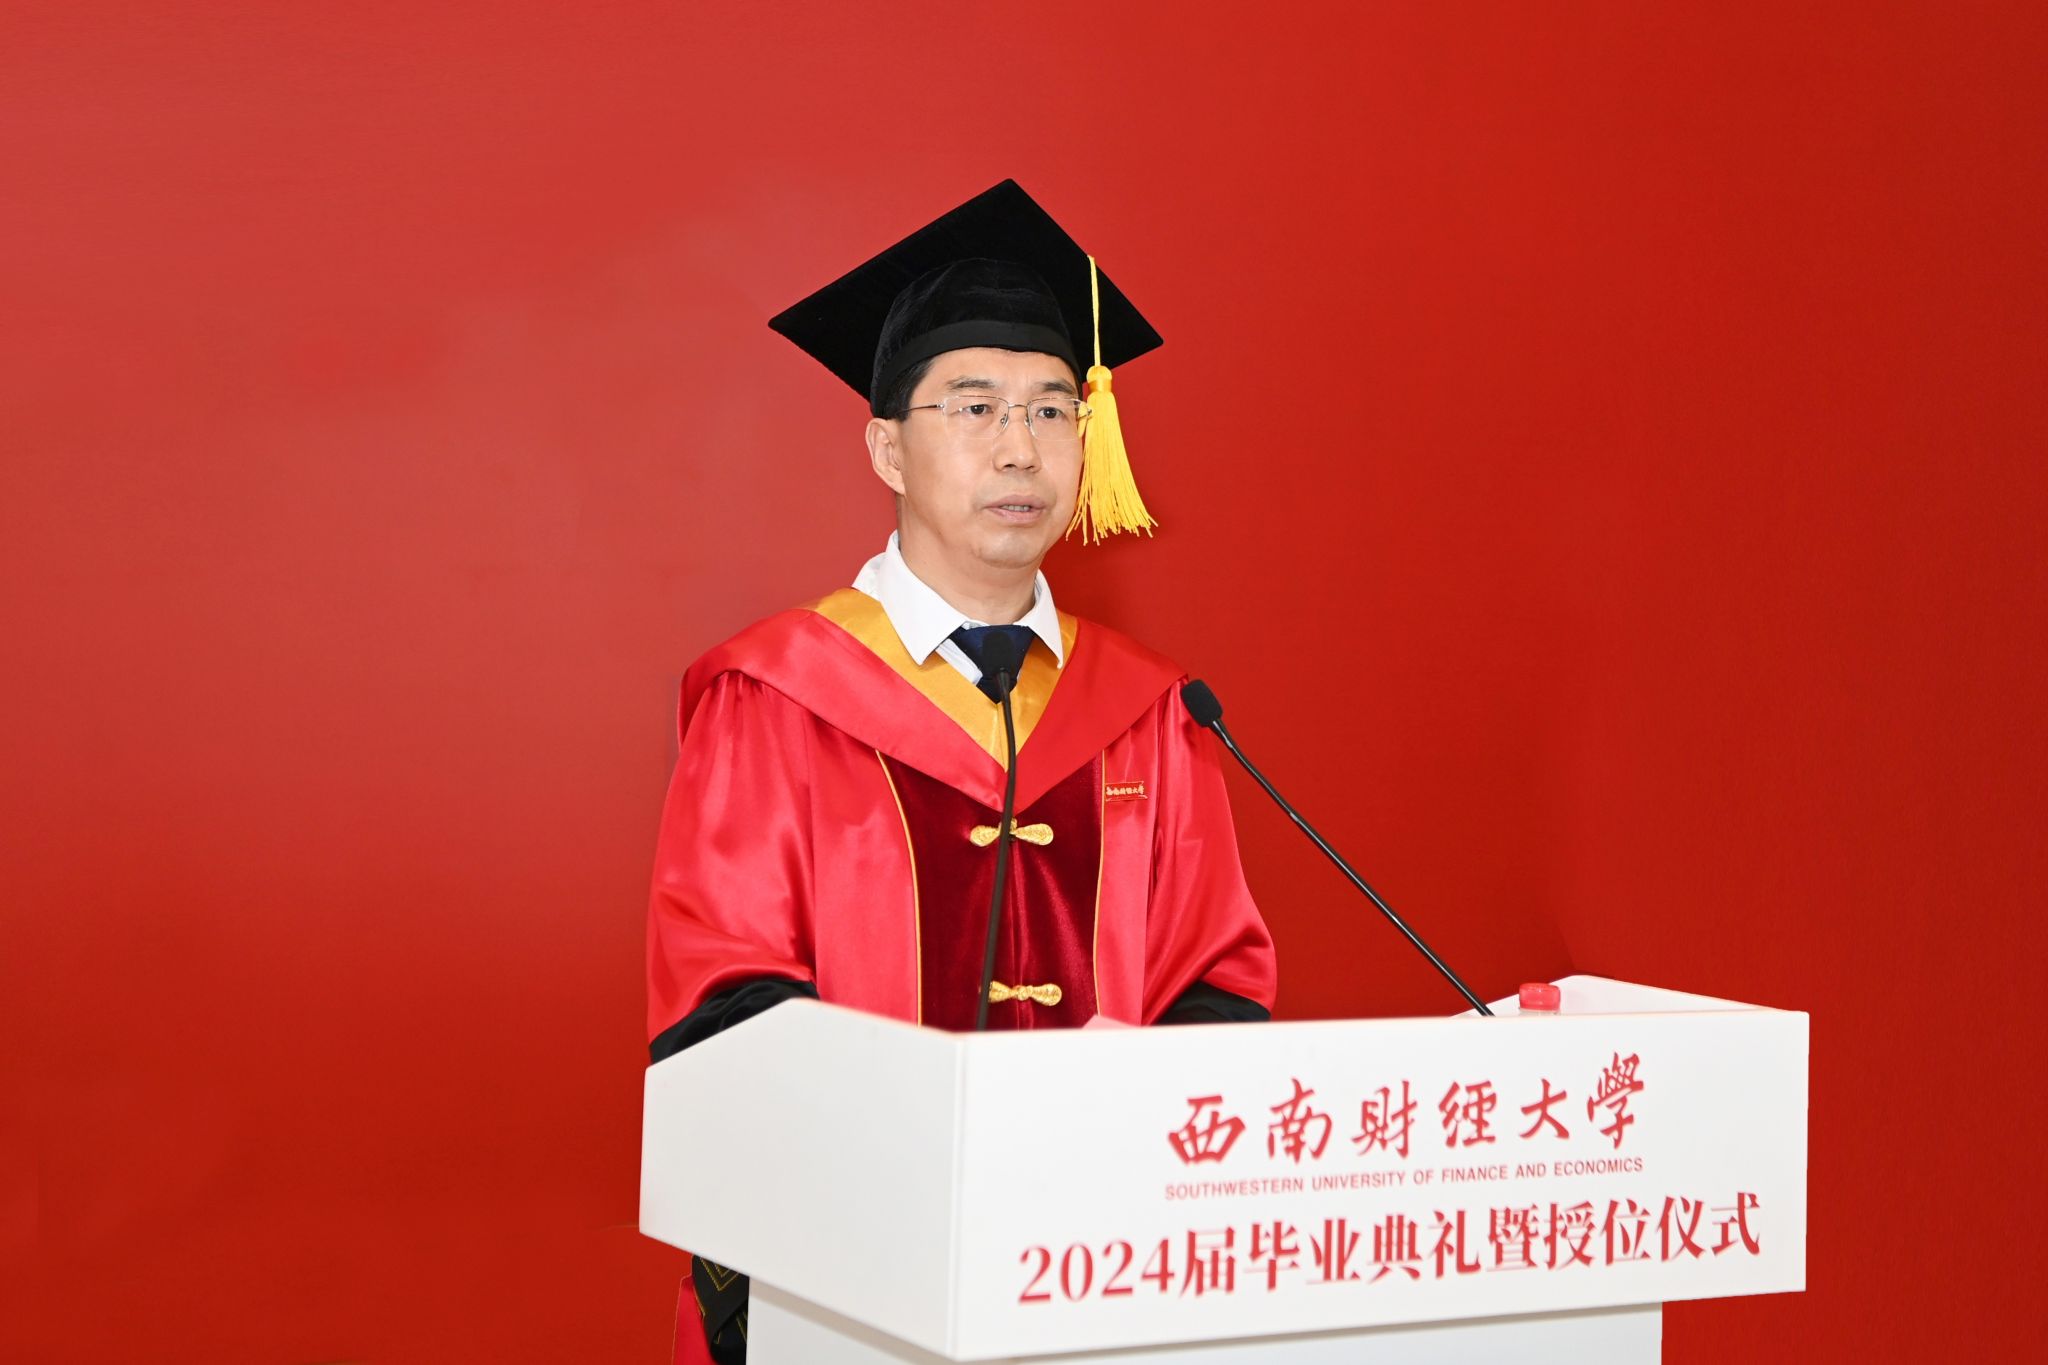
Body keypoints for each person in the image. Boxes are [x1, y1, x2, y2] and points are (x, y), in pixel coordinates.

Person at [646, 180, 1277, 1365]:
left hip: (1102, 1285)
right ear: (887, 446)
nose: (1018, 446)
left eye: (1051, 409)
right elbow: (722, 1015)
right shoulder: (773, 696)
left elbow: (1217, 986)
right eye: (974, 406)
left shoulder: (1151, 713)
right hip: (845, 1293)